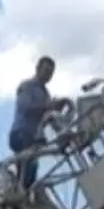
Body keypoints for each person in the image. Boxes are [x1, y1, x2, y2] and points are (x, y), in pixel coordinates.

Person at [9, 57, 70, 192]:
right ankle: (20, 195)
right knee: (27, 168)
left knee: (31, 170)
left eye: (51, 73)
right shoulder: (27, 86)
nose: (48, 75)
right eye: (46, 71)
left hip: (34, 136)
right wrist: (49, 106)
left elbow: (47, 116)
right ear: (37, 69)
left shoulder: (45, 93)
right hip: (22, 133)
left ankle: (24, 193)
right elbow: (26, 108)